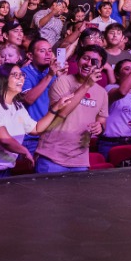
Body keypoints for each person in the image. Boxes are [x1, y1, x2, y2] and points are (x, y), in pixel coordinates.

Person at [35, 44, 109, 173]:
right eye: (85, 58)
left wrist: (100, 127)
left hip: (80, 160)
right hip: (52, 157)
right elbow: (62, 112)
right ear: (78, 60)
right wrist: (86, 85)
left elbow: (102, 121)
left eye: (94, 61)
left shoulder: (102, 93)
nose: (88, 64)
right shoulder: (62, 81)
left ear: (101, 68)